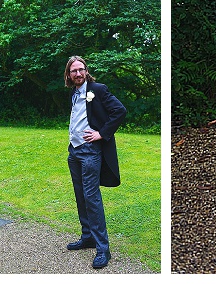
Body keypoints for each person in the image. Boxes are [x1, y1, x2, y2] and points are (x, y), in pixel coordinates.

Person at [65, 55, 126, 270]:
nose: (78, 74)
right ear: (69, 74)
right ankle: (88, 237)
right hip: (74, 151)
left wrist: (102, 133)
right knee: (80, 196)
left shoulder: (97, 89)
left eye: (81, 69)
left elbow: (120, 111)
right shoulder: (73, 92)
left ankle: (103, 249)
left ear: (86, 70)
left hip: (91, 151)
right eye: (74, 71)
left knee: (91, 198)